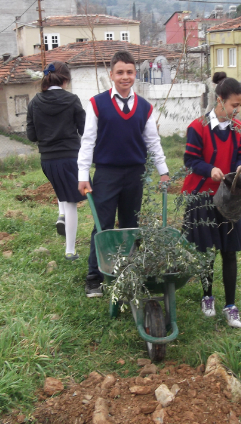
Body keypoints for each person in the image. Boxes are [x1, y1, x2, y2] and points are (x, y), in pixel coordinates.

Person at [78, 50, 170, 298]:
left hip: (135, 175)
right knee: (103, 226)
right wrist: (82, 175)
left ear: (135, 75)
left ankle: (127, 272)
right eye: (120, 72)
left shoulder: (145, 107)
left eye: (129, 72)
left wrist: (163, 171)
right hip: (106, 174)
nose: (125, 77)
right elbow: (88, 141)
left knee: (131, 225)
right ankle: (94, 277)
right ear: (111, 75)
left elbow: (153, 141)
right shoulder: (97, 103)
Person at [180, 72, 241, 328]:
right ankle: (207, 296)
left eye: (240, 105)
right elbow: (190, 160)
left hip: (229, 199)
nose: (237, 110)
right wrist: (209, 170)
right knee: (207, 251)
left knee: (229, 252)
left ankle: (230, 305)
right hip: (203, 197)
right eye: (234, 105)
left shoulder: (238, 129)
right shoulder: (197, 127)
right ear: (220, 100)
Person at [27, 61, 86, 260]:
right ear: (66, 80)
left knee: (61, 187)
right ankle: (70, 251)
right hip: (71, 159)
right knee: (72, 203)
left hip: (48, 162)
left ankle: (60, 215)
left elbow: (31, 136)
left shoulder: (34, 102)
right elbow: (84, 131)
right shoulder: (72, 100)